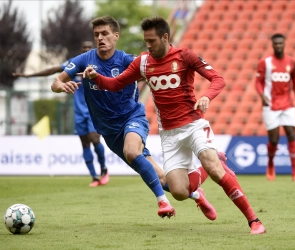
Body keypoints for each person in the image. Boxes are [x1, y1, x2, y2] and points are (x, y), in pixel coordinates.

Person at [79, 16, 266, 234]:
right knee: (179, 192)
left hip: (193, 124)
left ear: (165, 37)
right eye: (145, 41)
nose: (148, 45)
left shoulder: (185, 56)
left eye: (152, 40)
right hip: (169, 134)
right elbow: (116, 83)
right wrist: (96, 77)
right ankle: (218, 161)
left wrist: (207, 96)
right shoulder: (143, 61)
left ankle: (254, 220)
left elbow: (218, 79)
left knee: (214, 169)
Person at [12, 41, 109, 187]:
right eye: (85, 48)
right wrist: (29, 75)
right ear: (81, 50)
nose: (87, 50)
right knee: (84, 144)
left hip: (94, 110)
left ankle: (103, 169)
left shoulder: (98, 64)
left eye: (90, 48)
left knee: (95, 139)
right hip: (78, 111)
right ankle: (94, 177)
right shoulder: (74, 64)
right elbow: (53, 70)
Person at [255, 33, 295, 183]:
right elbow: (258, 82)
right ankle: (270, 164)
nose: (278, 46)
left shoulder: (292, 62)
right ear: (272, 45)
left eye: (281, 43)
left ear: (284, 44)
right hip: (271, 105)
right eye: (276, 44)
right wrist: (262, 95)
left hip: (288, 105)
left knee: (292, 136)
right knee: (274, 140)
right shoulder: (265, 62)